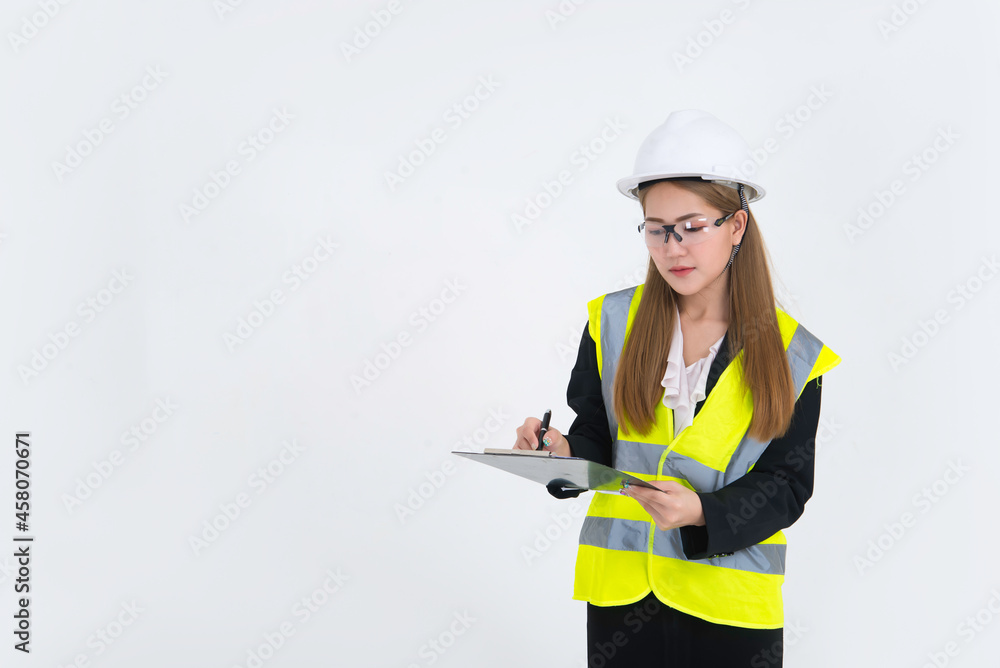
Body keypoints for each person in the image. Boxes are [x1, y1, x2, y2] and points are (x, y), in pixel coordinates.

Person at [513, 109, 841, 666]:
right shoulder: (610, 322)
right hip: (621, 598)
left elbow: (787, 486)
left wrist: (702, 514)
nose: (672, 247)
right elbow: (598, 438)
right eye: (656, 229)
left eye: (691, 226)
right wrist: (561, 454)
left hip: (730, 606)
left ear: (736, 227)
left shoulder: (792, 354)